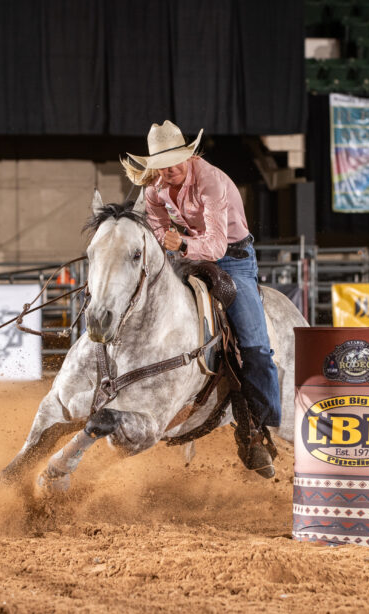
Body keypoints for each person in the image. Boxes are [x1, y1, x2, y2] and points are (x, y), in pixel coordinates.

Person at [121, 120, 280, 475]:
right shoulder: (155, 189)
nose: (170, 170)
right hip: (187, 255)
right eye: (162, 165)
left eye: (175, 162)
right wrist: (168, 245)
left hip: (233, 259)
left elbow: (217, 245)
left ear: (189, 156)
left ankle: (259, 425)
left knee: (254, 345)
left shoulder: (211, 181)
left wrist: (181, 244)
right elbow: (158, 228)